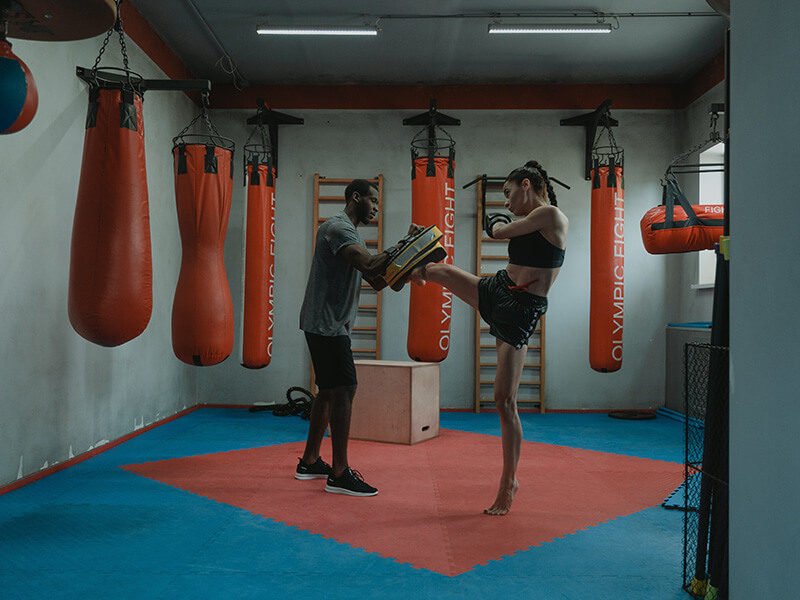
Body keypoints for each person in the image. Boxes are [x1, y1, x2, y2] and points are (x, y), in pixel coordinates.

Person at [409, 160, 568, 515]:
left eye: (509, 194)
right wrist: (498, 219)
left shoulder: (552, 216)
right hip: (498, 289)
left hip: (520, 310)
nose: (508, 202)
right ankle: (412, 262)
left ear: (527, 185)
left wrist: (496, 219)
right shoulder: (528, 221)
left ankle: (508, 482)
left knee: (503, 400)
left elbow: (498, 232)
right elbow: (502, 228)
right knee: (439, 271)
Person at [296, 178, 423, 497]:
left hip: (326, 323)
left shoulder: (350, 234)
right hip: (326, 324)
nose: (377, 208)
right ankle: (339, 474)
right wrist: (404, 245)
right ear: (356, 198)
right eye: (373, 201)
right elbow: (368, 263)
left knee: (327, 391)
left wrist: (404, 271)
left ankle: (310, 461)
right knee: (345, 388)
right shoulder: (338, 227)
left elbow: (377, 280)